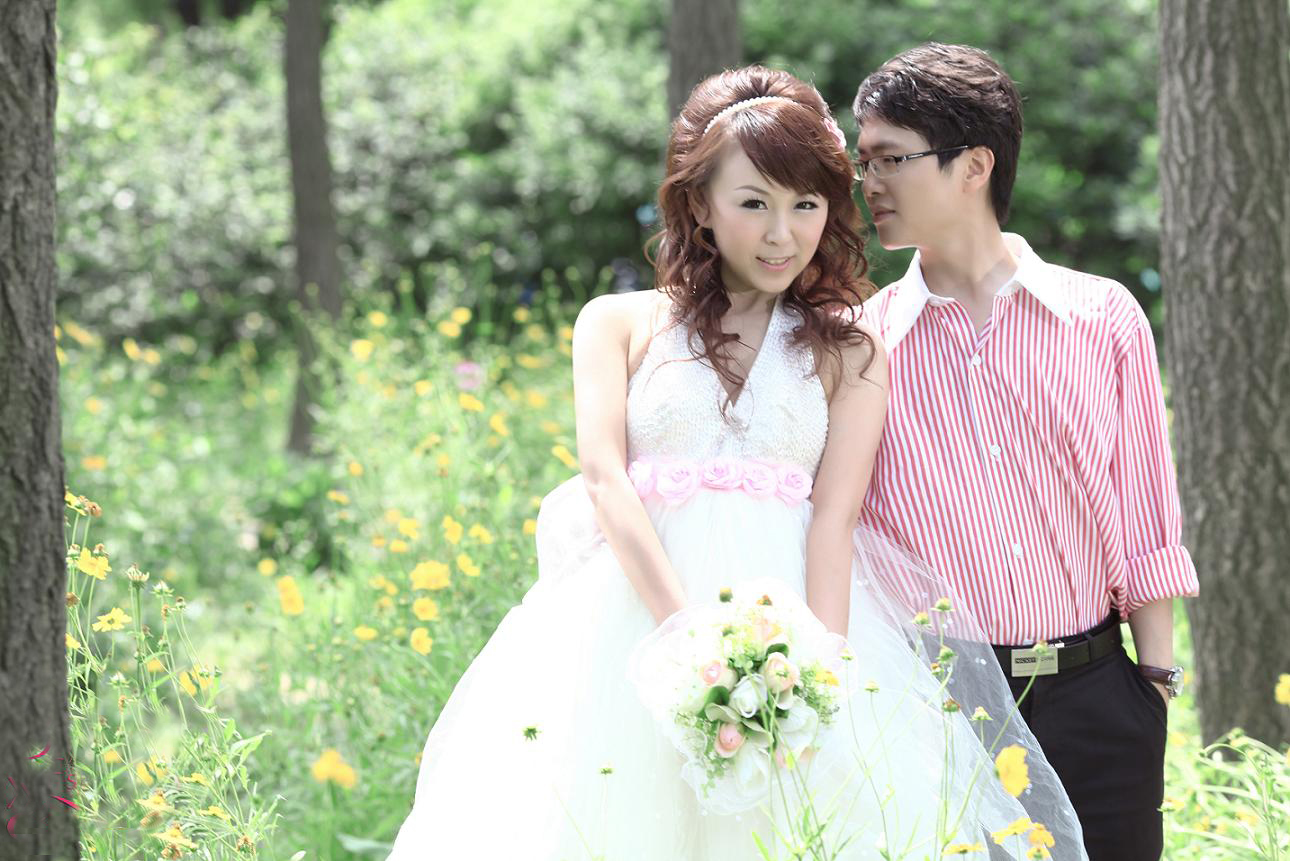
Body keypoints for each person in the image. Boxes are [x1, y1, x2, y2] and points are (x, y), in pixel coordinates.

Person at [385, 64, 1085, 860]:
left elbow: (835, 518)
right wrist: (682, 642)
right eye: (753, 203)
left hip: (791, 632)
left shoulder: (850, 348)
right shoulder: (618, 323)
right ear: (699, 205)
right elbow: (605, 478)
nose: (782, 233)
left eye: (806, 205)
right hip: (630, 627)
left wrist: (823, 677)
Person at [851, 43, 1200, 861]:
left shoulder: (1103, 317)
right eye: (862, 162)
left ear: (974, 165)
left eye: (890, 159)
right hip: (941, 712)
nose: (869, 183)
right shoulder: (860, 345)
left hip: (1099, 699)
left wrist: (1153, 690)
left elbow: (1147, 516)